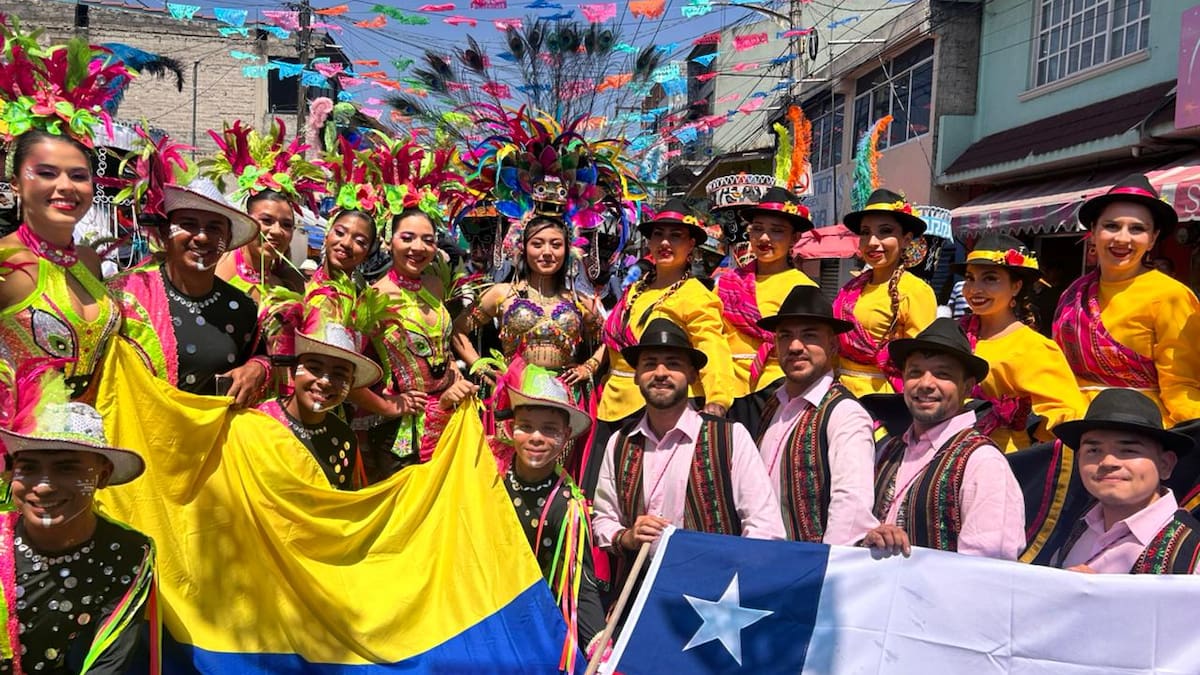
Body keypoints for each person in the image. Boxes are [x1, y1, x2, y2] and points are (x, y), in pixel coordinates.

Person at [0, 371, 154, 673]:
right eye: (28, 468)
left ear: (102, 475)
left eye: (66, 468)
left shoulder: (127, 552)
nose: (43, 486)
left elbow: (110, 661)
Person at [593, 318, 785, 558]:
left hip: (714, 578)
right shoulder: (620, 442)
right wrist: (627, 537)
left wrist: (734, 571)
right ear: (636, 375)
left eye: (673, 364)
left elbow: (764, 527)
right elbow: (604, 518)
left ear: (693, 375)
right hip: (643, 579)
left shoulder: (730, 437)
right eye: (650, 364)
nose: (660, 373)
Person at [596, 201, 737, 485]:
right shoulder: (636, 290)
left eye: (675, 236)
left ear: (691, 245)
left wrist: (717, 400)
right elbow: (614, 342)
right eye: (658, 234)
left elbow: (712, 346)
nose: (664, 243)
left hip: (659, 405)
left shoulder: (695, 295)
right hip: (611, 405)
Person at [865, 318, 1025, 560]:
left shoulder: (983, 463)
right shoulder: (889, 451)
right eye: (915, 373)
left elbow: (988, 566)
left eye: (942, 374)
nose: (925, 384)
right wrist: (871, 539)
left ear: (967, 387)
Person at [1053, 174, 1200, 426]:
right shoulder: (1073, 293)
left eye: (1137, 229)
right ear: (1093, 232)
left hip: (1140, 428)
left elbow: (1181, 384)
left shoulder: (1171, 296)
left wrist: (1190, 433)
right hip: (1073, 424)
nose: (1122, 238)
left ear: (1152, 239)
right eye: (1111, 226)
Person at [110, 178, 268, 406]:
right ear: (165, 232)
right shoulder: (124, 294)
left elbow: (261, 355)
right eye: (188, 224)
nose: (202, 236)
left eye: (214, 228)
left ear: (228, 239)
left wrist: (258, 368)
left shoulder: (243, 307)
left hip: (214, 428)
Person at [350, 208, 478, 478]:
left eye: (428, 240)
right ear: (389, 241)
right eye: (407, 238)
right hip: (400, 429)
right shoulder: (374, 298)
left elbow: (441, 345)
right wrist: (388, 404)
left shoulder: (435, 285)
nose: (418, 247)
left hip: (448, 412)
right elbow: (349, 372)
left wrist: (453, 370)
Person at [0, 129, 120, 401]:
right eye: (46, 173)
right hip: (18, 426)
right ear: (16, 183)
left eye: (78, 176)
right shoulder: (6, 261)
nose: (66, 186)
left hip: (94, 423)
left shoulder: (89, 260)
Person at [754, 286, 879, 544]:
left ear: (832, 345)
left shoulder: (845, 413)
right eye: (785, 336)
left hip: (810, 562)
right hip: (762, 557)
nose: (795, 346)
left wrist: (826, 563)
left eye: (809, 335)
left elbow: (851, 509)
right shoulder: (772, 405)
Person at [498, 364, 604, 655]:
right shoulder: (488, 478)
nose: (536, 437)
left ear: (566, 435)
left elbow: (580, 584)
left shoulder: (568, 506)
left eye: (549, 429)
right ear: (510, 427)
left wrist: (599, 644)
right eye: (526, 426)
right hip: (480, 612)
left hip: (534, 623)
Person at [953, 234, 1086, 452]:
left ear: (1016, 286)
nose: (975, 289)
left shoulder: (1034, 348)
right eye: (970, 278)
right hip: (948, 449)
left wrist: (1022, 420)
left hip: (1004, 456)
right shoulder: (954, 333)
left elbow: (1066, 414)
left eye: (990, 279)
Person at [1051, 389, 1200, 574]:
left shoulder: (1193, 553)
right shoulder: (1071, 529)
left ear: (1165, 464)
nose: (1108, 462)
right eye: (1094, 451)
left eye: (1128, 451)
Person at [718, 187, 820, 411]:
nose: (764, 238)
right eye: (757, 228)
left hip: (776, 391)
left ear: (794, 238)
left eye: (776, 231)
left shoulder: (803, 288)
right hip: (724, 388)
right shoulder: (728, 282)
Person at [257, 315, 384, 490]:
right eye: (314, 368)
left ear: (351, 383)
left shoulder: (345, 437)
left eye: (339, 374)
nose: (325, 381)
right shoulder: (258, 422)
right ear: (293, 370)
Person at [833, 189, 937, 397]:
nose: (872, 241)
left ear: (906, 240)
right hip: (837, 392)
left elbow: (921, 358)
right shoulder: (850, 287)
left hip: (882, 399)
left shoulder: (915, 291)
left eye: (885, 231)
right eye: (865, 232)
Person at [309, 209, 377, 287]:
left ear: (367, 254)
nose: (346, 243)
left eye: (359, 241)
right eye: (340, 232)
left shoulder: (363, 294)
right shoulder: (299, 283)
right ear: (326, 236)